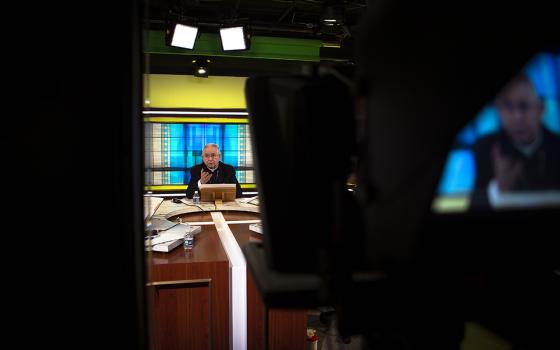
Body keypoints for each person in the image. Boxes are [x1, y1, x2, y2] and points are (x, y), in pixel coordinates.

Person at [470, 74, 560, 209]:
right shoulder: (486, 148)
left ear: (540, 109)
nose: (517, 117)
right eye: (508, 107)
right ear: (498, 111)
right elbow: (474, 209)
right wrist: (498, 188)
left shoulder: (557, 145)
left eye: (523, 106)